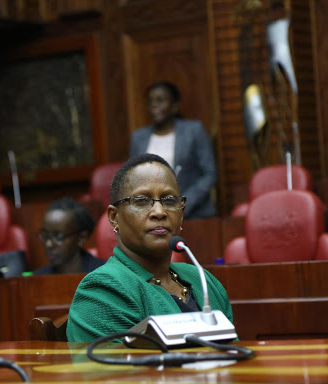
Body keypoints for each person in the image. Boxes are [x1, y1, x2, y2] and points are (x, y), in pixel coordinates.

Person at [66, 154, 233, 342]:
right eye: (142, 201)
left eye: (169, 200)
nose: (159, 212)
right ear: (114, 217)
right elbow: (113, 370)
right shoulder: (102, 290)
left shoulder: (203, 280)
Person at [129, 81, 217, 219]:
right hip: (153, 217)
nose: (154, 105)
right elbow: (132, 178)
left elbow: (209, 174)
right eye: (150, 101)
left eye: (160, 100)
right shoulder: (138, 137)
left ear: (174, 105)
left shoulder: (194, 130)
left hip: (194, 215)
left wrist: (182, 203)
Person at [35, 198, 106, 275]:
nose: (48, 244)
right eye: (45, 236)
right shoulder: (37, 278)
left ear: (82, 237)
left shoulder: (104, 274)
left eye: (59, 237)